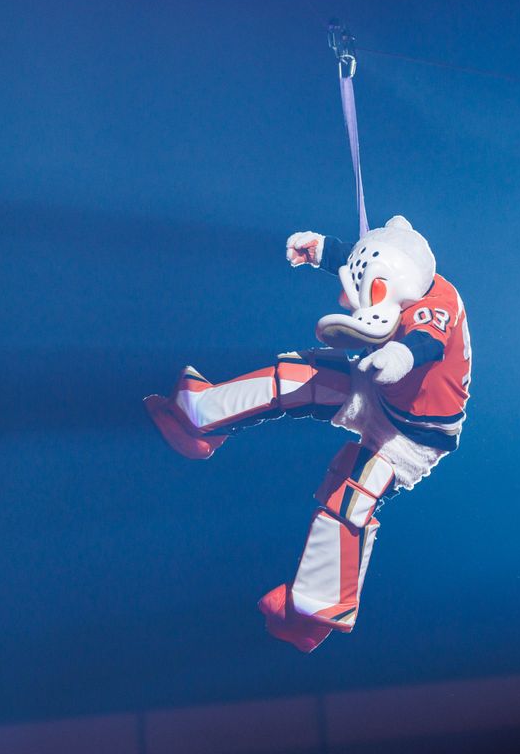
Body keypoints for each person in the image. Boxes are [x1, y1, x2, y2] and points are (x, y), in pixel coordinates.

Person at [143, 216, 471, 652]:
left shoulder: (436, 305)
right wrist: (320, 250)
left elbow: (425, 342)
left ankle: (317, 608)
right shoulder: (395, 262)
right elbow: (355, 257)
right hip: (379, 390)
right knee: (302, 374)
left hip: (412, 434)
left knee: (350, 492)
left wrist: (397, 357)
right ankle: (201, 415)